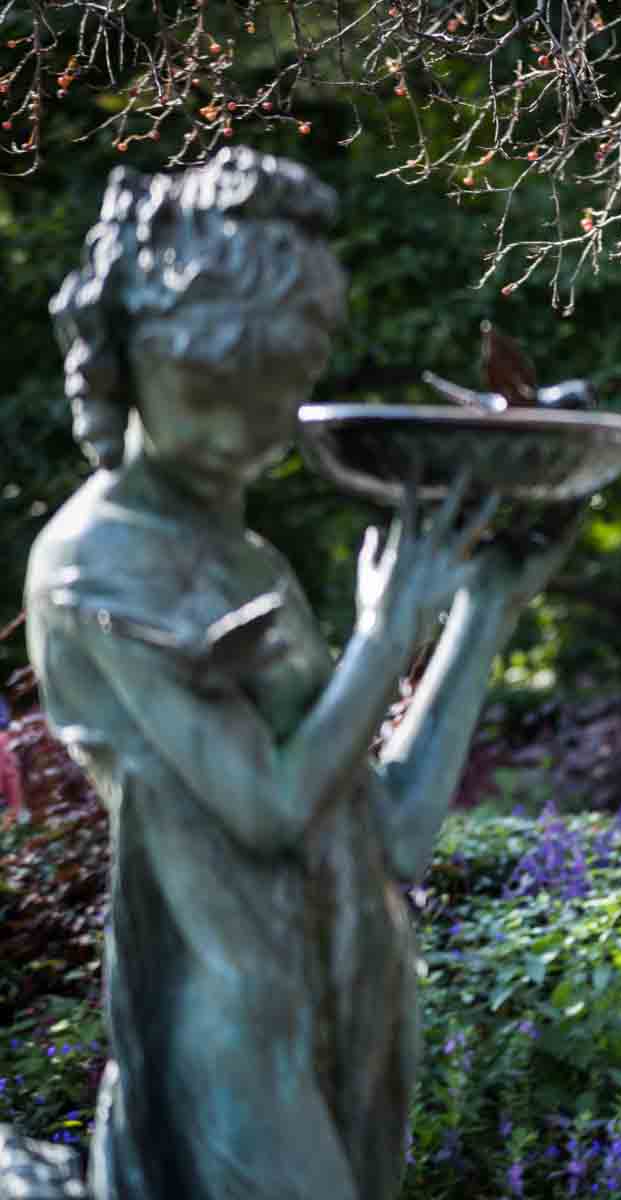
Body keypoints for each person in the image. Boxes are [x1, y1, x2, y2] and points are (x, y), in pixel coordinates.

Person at [24, 150, 570, 1200]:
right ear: (127, 354)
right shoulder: (94, 562)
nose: (251, 428)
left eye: (282, 391)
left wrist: (482, 610)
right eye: (214, 387)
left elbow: (389, 832)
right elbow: (269, 809)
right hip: (231, 1050)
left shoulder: (249, 561)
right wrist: (382, 632)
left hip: (346, 1000)